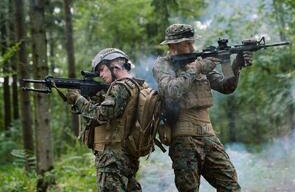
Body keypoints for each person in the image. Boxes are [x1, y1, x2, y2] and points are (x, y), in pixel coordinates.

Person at [153, 24, 252, 192]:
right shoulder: (163, 65)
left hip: (208, 135)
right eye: (186, 44)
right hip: (183, 139)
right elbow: (171, 91)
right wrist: (196, 69)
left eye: (192, 42)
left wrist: (234, 64)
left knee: (231, 186)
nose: (192, 47)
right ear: (172, 46)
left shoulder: (197, 61)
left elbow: (226, 86)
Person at [65, 48, 143, 192]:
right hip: (126, 156)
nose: (100, 75)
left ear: (115, 67)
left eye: (102, 69)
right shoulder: (135, 85)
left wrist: (78, 99)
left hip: (111, 160)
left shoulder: (120, 87)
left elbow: (100, 116)